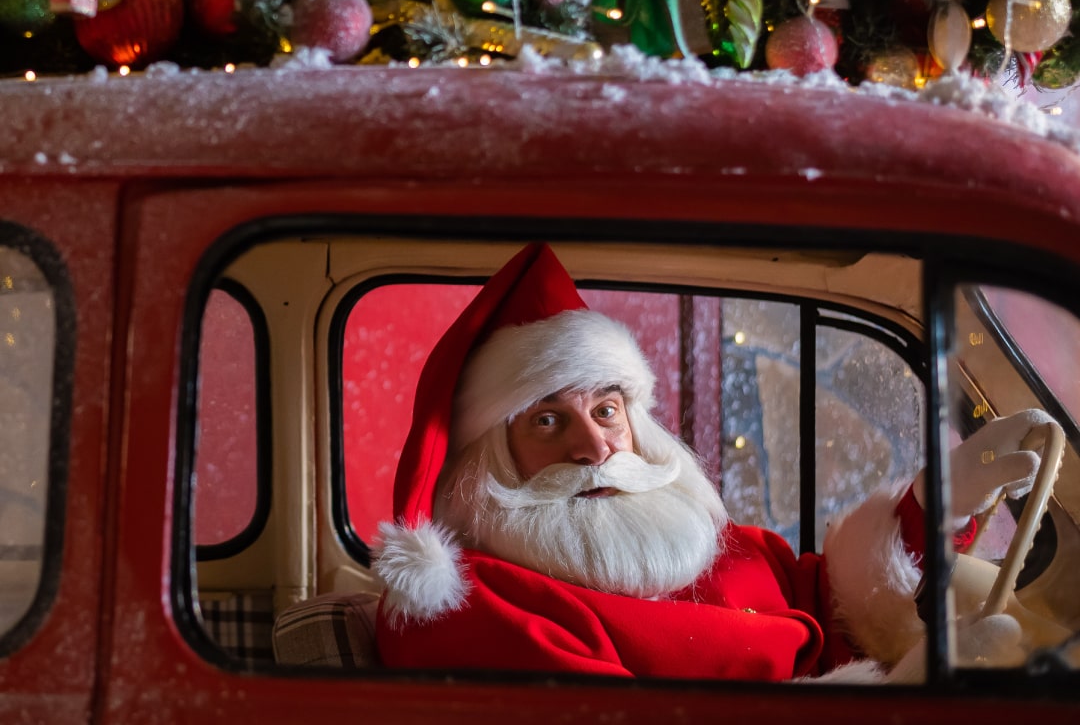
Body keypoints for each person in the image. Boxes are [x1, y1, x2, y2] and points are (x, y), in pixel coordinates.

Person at [374, 242, 1048, 680]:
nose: (594, 447)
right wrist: (898, 713)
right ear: (490, 460)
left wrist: (928, 512)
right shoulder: (480, 610)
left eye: (606, 410)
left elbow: (823, 604)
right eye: (548, 422)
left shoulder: (700, 542)